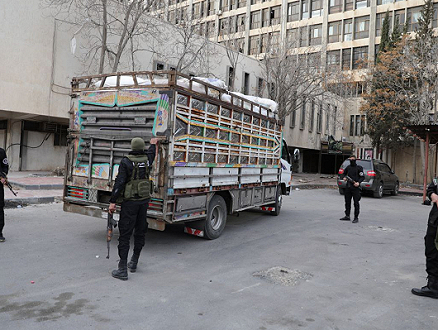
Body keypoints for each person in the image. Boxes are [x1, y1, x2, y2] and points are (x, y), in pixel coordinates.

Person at [108, 137, 157, 280]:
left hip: (129, 203)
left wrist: (113, 201)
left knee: (125, 234)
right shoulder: (147, 160)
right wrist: (153, 144)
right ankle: (134, 261)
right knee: (140, 232)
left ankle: (122, 269)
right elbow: (152, 153)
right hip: (143, 202)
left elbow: (120, 182)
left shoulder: (126, 162)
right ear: (142, 147)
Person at [411, 179, 438, 299]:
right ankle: (433, 286)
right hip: (435, 221)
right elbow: (431, 189)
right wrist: (433, 195)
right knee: (431, 250)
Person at [339, 155, 364, 223]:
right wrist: (344, 178)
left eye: (353, 160)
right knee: (347, 202)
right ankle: (347, 215)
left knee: (356, 203)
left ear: (355, 160)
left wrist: (358, 183)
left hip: (355, 187)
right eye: (350, 160)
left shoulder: (359, 168)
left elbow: (362, 177)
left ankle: (356, 217)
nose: (351, 161)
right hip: (348, 187)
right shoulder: (348, 167)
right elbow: (343, 174)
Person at [0, 148, 9, 242]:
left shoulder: (1, 152)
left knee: (0, 208)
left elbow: (5, 166)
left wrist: (3, 176)